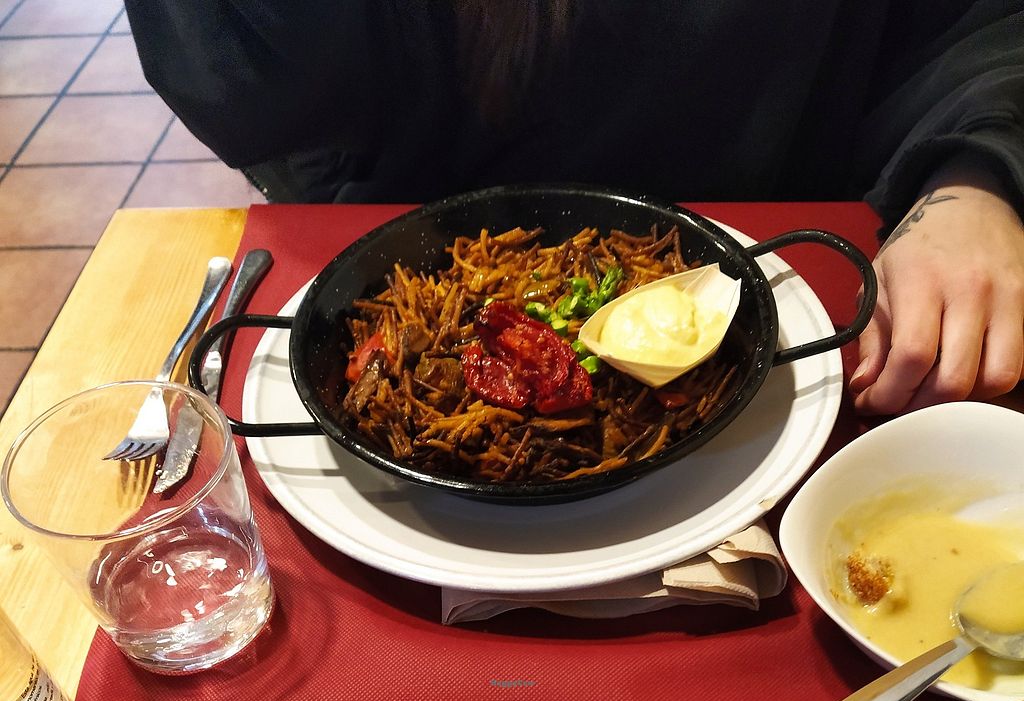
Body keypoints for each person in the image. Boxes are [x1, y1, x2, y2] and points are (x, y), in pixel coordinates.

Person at [123, 0, 1024, 416]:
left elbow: (975, 26)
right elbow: (250, 90)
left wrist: (975, 177)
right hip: (404, 262)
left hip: (802, 305)